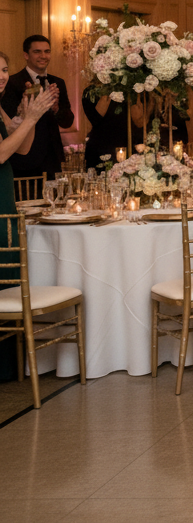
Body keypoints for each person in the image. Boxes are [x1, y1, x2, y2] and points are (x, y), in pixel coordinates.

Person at [0, 50, 60, 382]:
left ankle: (11, 366)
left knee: (8, 277)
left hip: (4, 193)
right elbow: (2, 152)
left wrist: (28, 118)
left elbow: (21, 146)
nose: (2, 77)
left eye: (5, 70)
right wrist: (33, 119)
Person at [0, 35, 75, 182]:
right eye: (37, 52)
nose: (43, 56)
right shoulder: (12, 82)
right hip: (23, 161)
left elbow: (68, 122)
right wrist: (28, 111)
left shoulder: (58, 82)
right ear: (26, 55)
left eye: (47, 51)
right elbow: (7, 128)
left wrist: (56, 108)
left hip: (53, 157)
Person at [80, 93, 143, 172]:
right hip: (100, 148)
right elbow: (95, 119)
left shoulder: (128, 91)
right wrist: (107, 89)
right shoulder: (91, 92)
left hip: (126, 145)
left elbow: (139, 122)